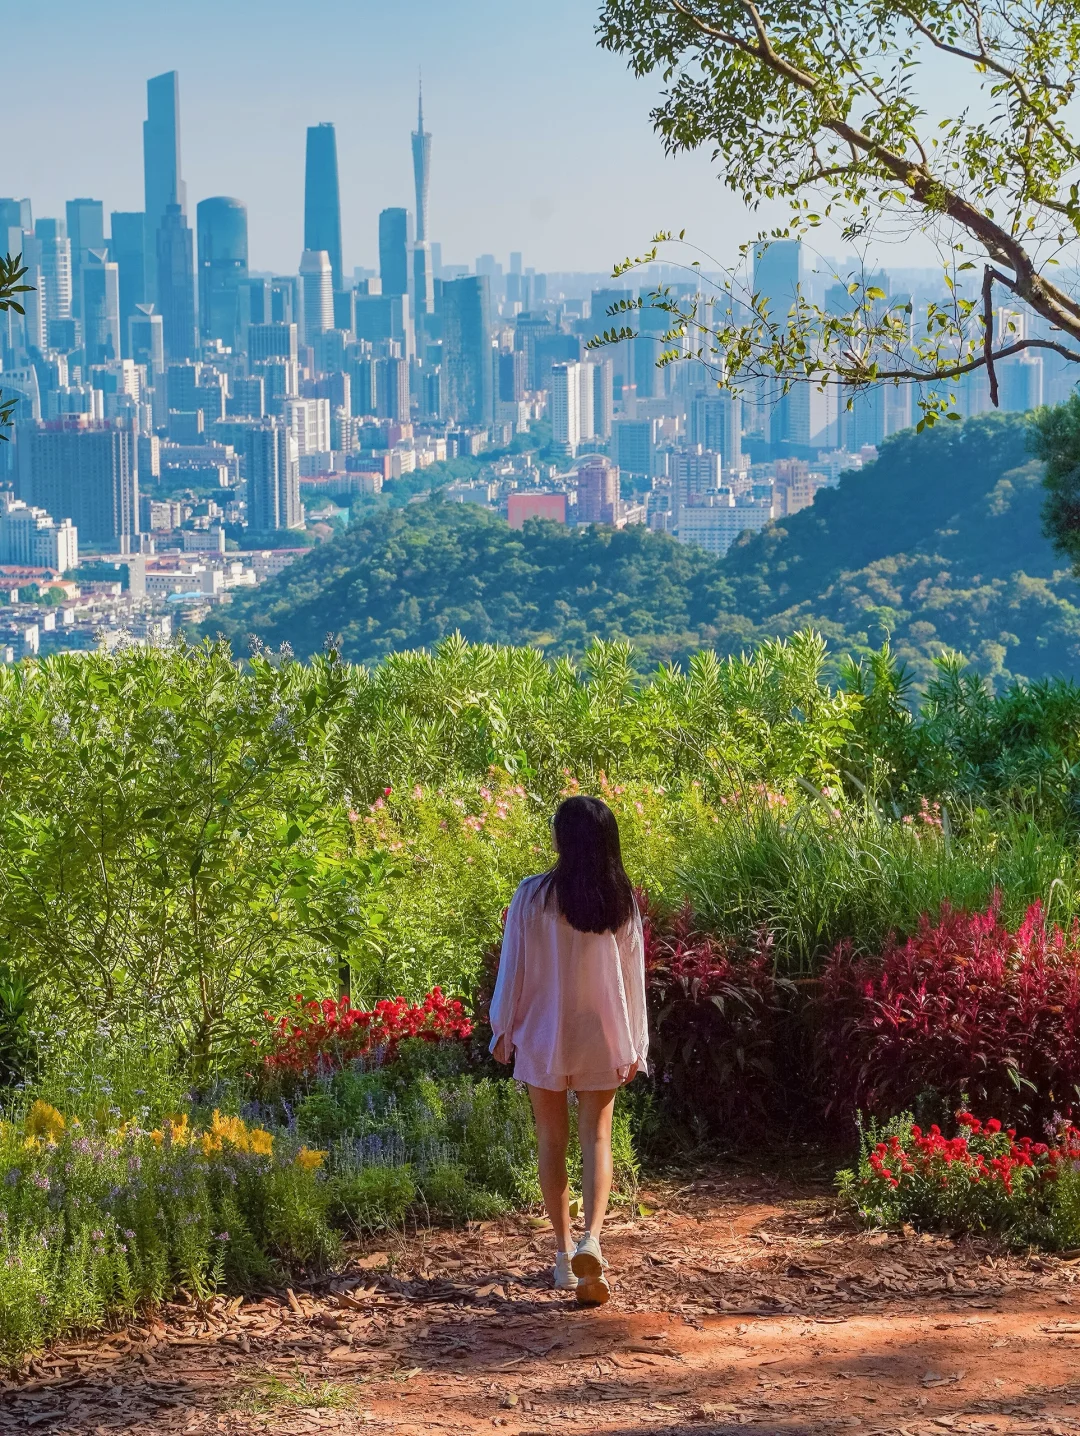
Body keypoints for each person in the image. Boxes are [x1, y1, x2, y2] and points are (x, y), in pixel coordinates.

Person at [489, 794, 648, 1304]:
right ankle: (592, 1241)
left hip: (542, 1033)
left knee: (550, 1141)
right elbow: (632, 979)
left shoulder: (532, 896)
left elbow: (512, 968)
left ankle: (562, 1257)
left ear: (563, 839)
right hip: (601, 1036)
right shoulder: (619, 900)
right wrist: (635, 1043)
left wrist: (502, 1029)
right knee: (597, 1138)